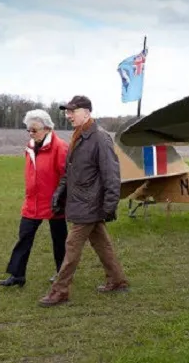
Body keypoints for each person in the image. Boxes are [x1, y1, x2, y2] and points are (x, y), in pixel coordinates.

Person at [39, 95, 129, 307]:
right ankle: (117, 281)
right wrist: (59, 193)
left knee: (71, 246)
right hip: (82, 202)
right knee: (102, 244)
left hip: (90, 204)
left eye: (72, 111)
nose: (68, 115)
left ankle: (60, 291)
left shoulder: (100, 138)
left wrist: (110, 205)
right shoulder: (79, 135)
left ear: (87, 112)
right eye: (67, 111)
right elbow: (70, 172)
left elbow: (111, 175)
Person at [0, 109, 69, 287]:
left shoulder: (60, 147)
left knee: (59, 240)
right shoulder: (30, 146)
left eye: (34, 130)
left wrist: (60, 198)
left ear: (47, 128)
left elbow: (67, 176)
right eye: (28, 130)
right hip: (32, 202)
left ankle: (63, 274)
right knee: (24, 237)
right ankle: (17, 275)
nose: (31, 133)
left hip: (55, 202)